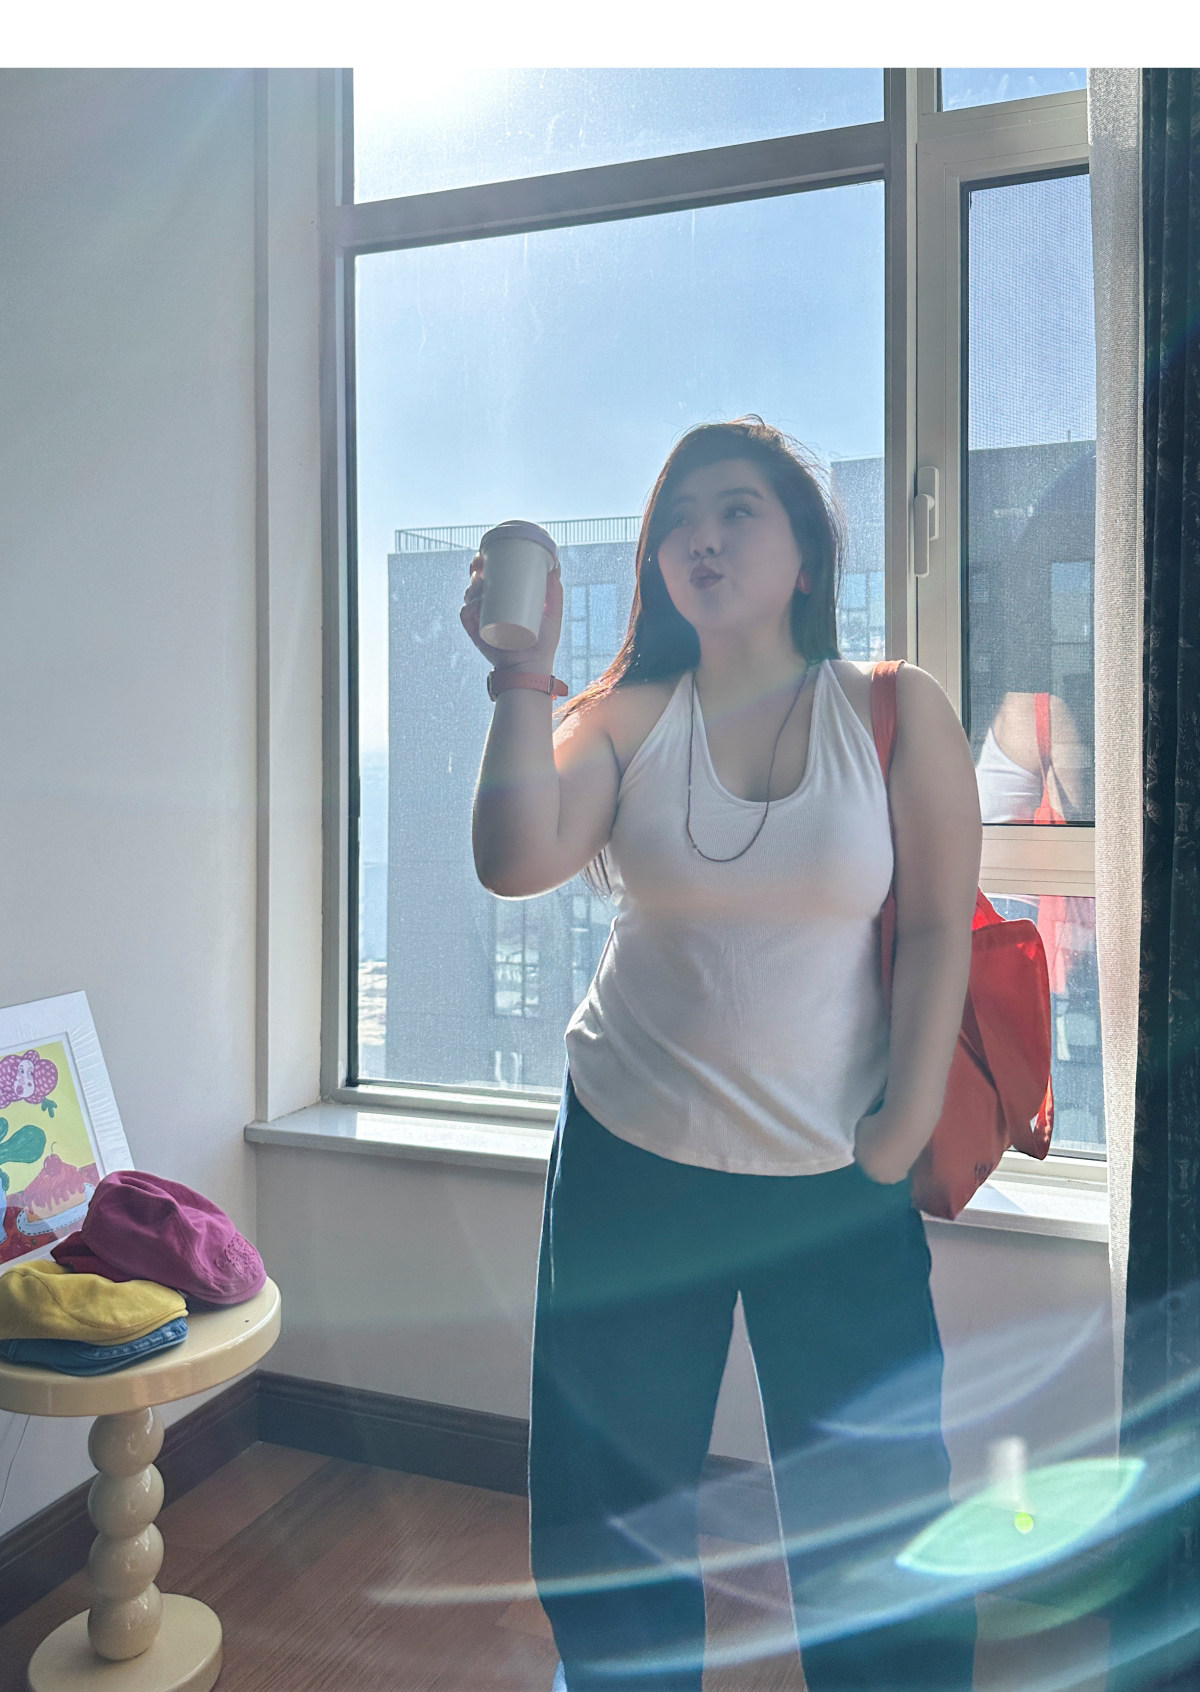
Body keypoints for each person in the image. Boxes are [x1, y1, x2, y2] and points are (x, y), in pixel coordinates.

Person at [461, 418, 982, 1691]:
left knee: (880, 1516)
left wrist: (902, 1129)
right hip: (632, 1158)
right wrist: (523, 677)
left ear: (806, 554)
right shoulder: (628, 716)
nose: (701, 534)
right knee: (610, 1514)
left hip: (836, 1174)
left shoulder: (893, 709)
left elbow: (936, 925)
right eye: (678, 518)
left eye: (736, 508)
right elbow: (515, 860)